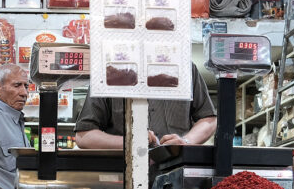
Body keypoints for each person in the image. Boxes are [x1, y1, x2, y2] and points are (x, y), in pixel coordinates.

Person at [74, 63, 218, 148]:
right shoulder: (107, 72)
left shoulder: (185, 68)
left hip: (176, 173)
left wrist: (186, 141)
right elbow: (84, 136)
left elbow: (209, 119)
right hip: (123, 177)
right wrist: (129, 142)